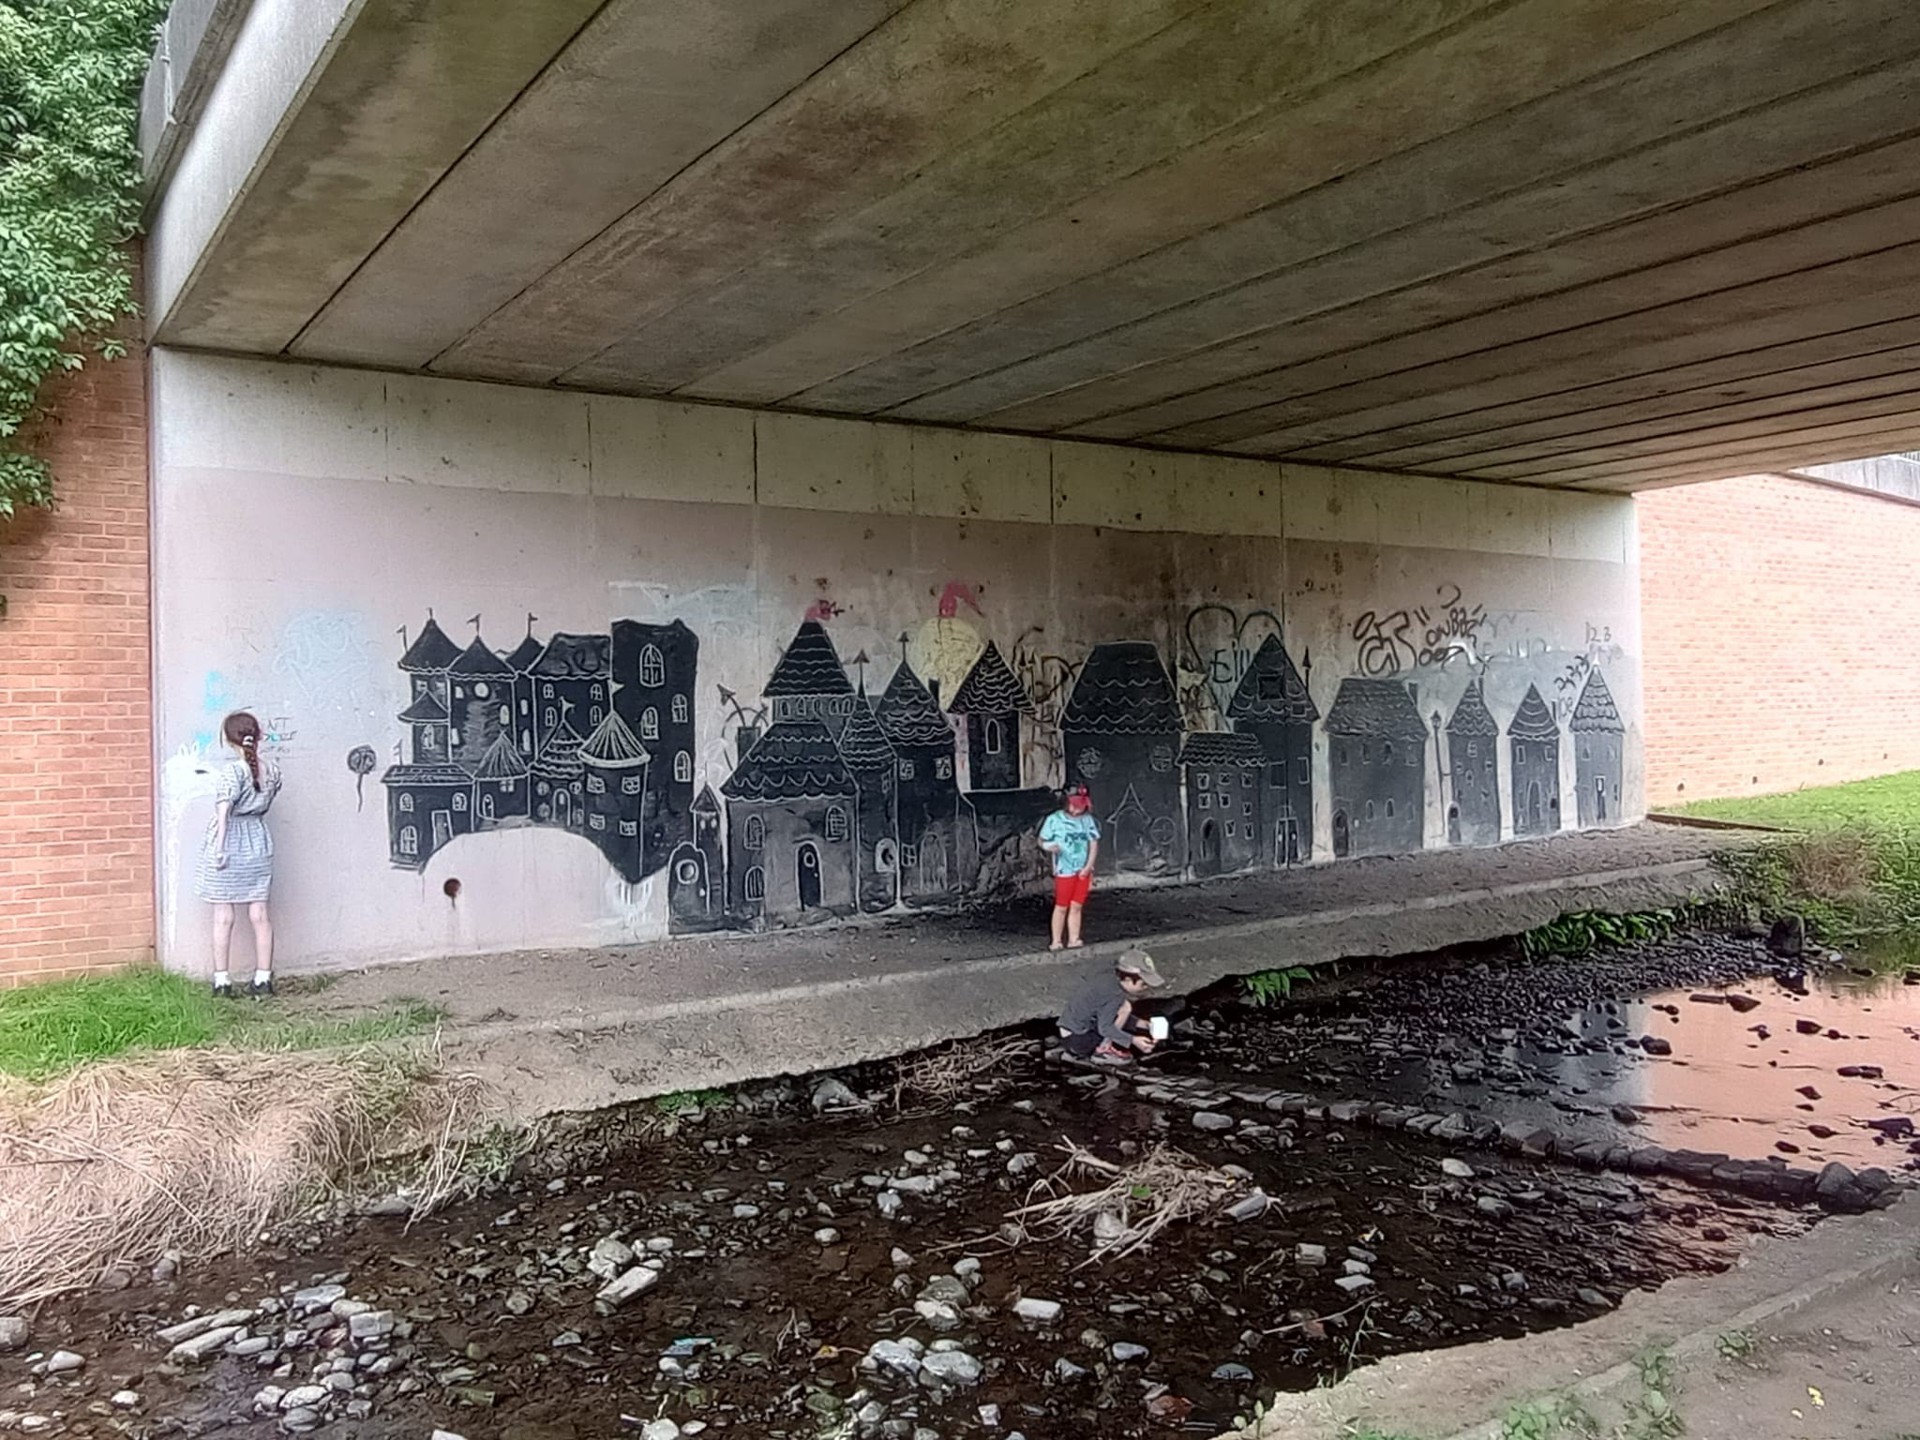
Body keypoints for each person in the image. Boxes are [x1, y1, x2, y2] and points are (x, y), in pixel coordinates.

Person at [195, 711, 283, 998]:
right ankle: (263, 979)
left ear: (227, 739)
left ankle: (222, 981)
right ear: (256, 736)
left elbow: (223, 812)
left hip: (232, 839)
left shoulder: (233, 773)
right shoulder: (272, 771)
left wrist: (219, 848)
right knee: (260, 913)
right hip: (258, 841)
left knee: (223, 914)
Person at [1057, 950, 1168, 1063]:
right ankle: (1103, 1051)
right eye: (1143, 984)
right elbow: (1105, 1027)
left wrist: (1145, 1025)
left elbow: (1110, 1014)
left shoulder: (1110, 980)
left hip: (1070, 1034)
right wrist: (1133, 1040)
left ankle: (1095, 1048)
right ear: (1128, 979)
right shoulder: (1114, 994)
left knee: (1123, 1008)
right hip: (1079, 1040)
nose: (1146, 988)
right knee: (1125, 1008)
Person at [1039, 783, 1100, 950]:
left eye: (1081, 806)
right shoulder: (1054, 819)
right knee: (1061, 906)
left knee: (1077, 905)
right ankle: (1056, 940)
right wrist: (1048, 847)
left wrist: (1089, 866)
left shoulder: (1088, 820)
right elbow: (1042, 840)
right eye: (1074, 805)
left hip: (1083, 870)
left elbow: (1093, 843)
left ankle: (1074, 938)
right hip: (1064, 870)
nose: (1077, 810)